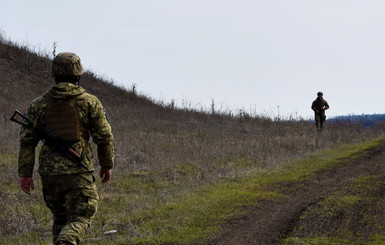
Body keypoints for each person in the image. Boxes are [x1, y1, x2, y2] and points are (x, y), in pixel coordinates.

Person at [17, 52, 114, 245]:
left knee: (61, 220)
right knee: (80, 216)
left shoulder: (38, 104)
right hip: (78, 172)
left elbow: (27, 141)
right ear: (78, 74)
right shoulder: (89, 102)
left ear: (55, 74)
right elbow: (104, 136)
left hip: (49, 175)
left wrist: (25, 174)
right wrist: (106, 164)